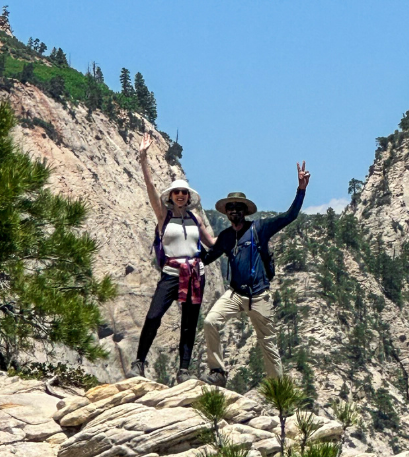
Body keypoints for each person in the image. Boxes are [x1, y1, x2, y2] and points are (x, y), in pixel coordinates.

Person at [200, 162, 310, 386]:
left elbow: (290, 216)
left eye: (238, 207)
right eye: (230, 207)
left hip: (259, 295)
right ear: (227, 212)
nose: (234, 211)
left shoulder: (260, 228)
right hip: (236, 294)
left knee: (268, 343)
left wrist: (301, 190)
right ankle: (218, 372)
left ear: (245, 211)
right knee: (211, 321)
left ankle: (277, 391)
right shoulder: (226, 237)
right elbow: (207, 258)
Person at [130, 132, 216, 383]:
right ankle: (139, 362)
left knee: (189, 324)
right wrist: (143, 159)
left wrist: (238, 234)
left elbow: (212, 243)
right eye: (177, 192)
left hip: (194, 275)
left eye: (184, 193)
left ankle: (184, 371)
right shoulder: (163, 215)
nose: (180, 195)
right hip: (170, 275)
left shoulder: (195, 219)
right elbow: (149, 187)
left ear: (189, 197)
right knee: (154, 316)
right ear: (171, 196)